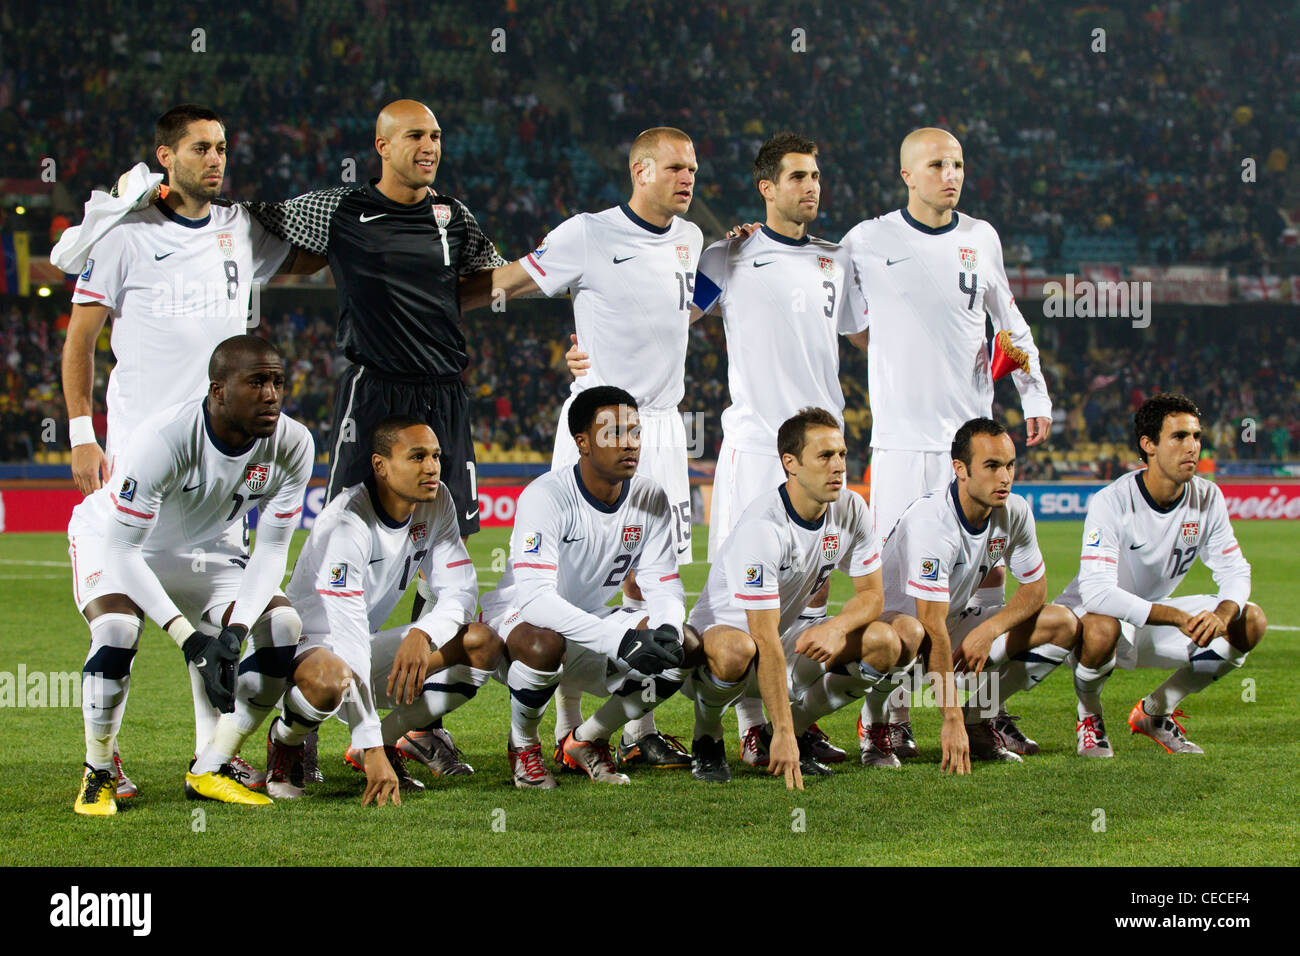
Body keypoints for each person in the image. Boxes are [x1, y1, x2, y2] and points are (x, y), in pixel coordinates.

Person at [62, 103, 322, 796]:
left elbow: (313, 254)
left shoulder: (241, 230)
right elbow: (80, 337)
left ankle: (211, 755)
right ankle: (103, 759)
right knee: (121, 620)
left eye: (224, 148)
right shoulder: (127, 235)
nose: (217, 159)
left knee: (235, 612)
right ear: (165, 157)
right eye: (202, 148)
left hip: (218, 454)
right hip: (143, 452)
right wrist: (81, 433)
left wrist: (395, 218)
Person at [245, 98, 507, 773]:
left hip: (444, 394)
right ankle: (309, 704)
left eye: (438, 135)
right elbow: (266, 236)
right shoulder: (340, 209)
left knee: (446, 537)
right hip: (377, 393)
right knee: (345, 529)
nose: (430, 145)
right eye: (416, 134)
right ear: (382, 146)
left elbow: (484, 283)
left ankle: (412, 712)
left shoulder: (456, 217)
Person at [482, 127, 703, 768]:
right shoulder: (588, 232)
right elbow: (510, 283)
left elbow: (688, 305)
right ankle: (568, 727)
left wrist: (735, 254)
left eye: (692, 168)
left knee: (652, 577)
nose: (687, 177)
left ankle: (636, 731)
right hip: (596, 422)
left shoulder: (690, 242)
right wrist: (435, 281)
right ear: (639, 170)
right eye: (674, 167)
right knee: (574, 569)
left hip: (662, 426)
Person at [839, 127, 1054, 756]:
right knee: (901, 596)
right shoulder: (867, 239)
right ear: (906, 174)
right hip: (903, 446)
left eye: (958, 163)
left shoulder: (981, 236)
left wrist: (1034, 395)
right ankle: (886, 719)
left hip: (972, 446)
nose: (950, 174)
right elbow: (849, 324)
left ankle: (982, 717)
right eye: (936, 164)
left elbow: (1008, 323)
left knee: (983, 592)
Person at [192, 415, 501, 805]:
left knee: (481, 642)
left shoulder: (438, 502)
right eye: (417, 456)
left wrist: (424, 634)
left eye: (436, 456)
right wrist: (367, 743)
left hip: (362, 644)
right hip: (306, 647)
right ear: (380, 466)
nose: (432, 467)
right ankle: (285, 740)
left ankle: (388, 742)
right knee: (330, 678)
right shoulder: (346, 522)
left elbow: (461, 591)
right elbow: (348, 632)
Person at [71, 336, 314, 814]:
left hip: (206, 550)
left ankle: (212, 763)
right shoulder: (167, 438)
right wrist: (190, 639)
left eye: (278, 382)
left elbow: (271, 549)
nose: (271, 395)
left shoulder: (292, 443)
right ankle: (98, 769)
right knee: (117, 630)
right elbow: (123, 548)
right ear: (218, 391)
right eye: (257, 382)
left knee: (283, 625)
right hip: (116, 541)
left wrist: (235, 633)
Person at [689, 132, 868, 767]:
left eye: (816, 175)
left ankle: (790, 714)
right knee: (741, 599)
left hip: (823, 444)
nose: (811, 186)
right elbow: (673, 316)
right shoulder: (728, 256)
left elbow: (867, 337)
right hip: (757, 446)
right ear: (767, 187)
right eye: (796, 177)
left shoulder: (836, 259)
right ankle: (739, 724)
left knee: (812, 590)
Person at [682, 408, 905, 788]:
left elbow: (872, 595)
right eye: (824, 456)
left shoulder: (851, 508)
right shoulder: (763, 528)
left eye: (841, 455)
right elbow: (761, 636)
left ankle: (782, 733)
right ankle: (707, 736)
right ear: (791, 463)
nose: (838, 467)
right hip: (715, 654)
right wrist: (784, 730)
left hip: (775, 647)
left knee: (884, 642)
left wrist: (837, 627)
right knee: (739, 648)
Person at [479, 386, 687, 788]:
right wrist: (619, 639)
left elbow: (663, 584)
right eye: (613, 433)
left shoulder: (650, 497)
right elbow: (537, 600)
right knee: (545, 645)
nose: (629, 443)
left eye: (635, 432)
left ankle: (586, 739)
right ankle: (523, 746)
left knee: (683, 648)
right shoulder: (545, 496)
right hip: (517, 620)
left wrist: (670, 628)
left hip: (587, 618)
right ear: (583, 442)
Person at [859, 417, 1078, 769]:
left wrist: (986, 631)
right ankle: (874, 723)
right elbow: (929, 624)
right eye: (991, 466)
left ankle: (977, 718)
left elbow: (1035, 589)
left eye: (1009, 465)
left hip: (949, 625)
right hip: (893, 639)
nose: (1004, 477)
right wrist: (949, 720)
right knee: (911, 633)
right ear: (960, 468)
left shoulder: (1014, 511)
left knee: (1062, 623)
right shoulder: (932, 524)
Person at [1057, 393, 1266, 757]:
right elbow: (1096, 593)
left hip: (1151, 618)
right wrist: (1176, 616)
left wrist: (1222, 614)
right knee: (1102, 625)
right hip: (1091, 625)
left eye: (1196, 436)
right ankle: (1088, 716)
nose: (1192, 447)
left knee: (1250, 620)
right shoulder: (1114, 500)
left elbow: (1234, 570)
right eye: (1179, 437)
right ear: (1149, 445)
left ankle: (1155, 711)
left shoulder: (1207, 497)